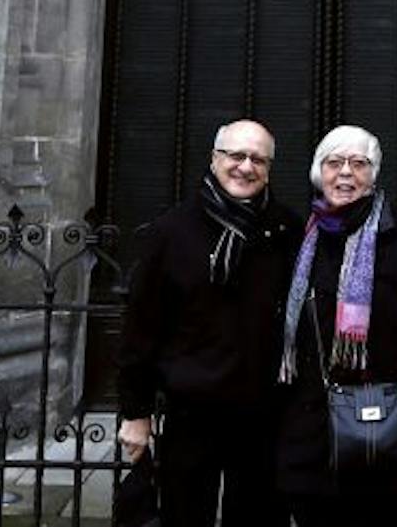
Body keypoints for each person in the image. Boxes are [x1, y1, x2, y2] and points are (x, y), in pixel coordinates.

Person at [118, 120, 300, 526]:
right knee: (185, 515)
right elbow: (141, 327)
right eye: (236, 155)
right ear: (215, 159)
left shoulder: (287, 229)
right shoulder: (172, 230)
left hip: (263, 412)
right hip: (191, 409)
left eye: (258, 159)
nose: (246, 167)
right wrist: (136, 412)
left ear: (269, 168)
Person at [275, 126, 397, 527]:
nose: (345, 174)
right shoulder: (298, 239)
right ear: (317, 172)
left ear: (374, 175)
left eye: (359, 164)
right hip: (313, 430)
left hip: (388, 426)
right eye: (334, 163)